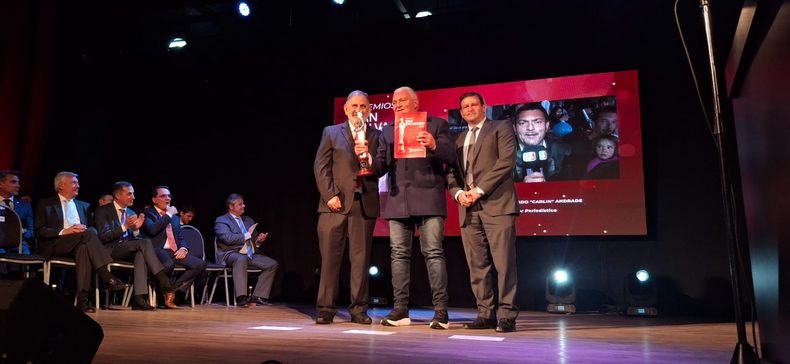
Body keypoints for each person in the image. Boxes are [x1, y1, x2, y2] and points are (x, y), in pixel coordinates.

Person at [371, 86, 456, 329]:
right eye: (394, 101)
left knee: (433, 253)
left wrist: (432, 144)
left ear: (415, 103)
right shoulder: (387, 131)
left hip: (429, 198)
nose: (397, 104)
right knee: (398, 255)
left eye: (402, 100)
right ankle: (401, 310)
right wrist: (370, 160)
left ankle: (441, 312)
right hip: (399, 201)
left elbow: (451, 156)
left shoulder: (436, 124)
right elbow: (380, 168)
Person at [446, 92, 520, 333]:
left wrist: (478, 190)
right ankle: (485, 314)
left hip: (497, 204)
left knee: (504, 263)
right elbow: (451, 174)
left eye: (473, 105)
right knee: (477, 264)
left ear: (484, 107)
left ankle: (507, 314)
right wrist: (458, 194)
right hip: (467, 208)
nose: (469, 109)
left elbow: (506, 162)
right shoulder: (457, 139)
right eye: (464, 107)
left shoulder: (501, 127)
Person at [313, 90, 380, 324]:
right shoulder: (331, 132)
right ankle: (325, 309)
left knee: (361, 261)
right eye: (354, 105)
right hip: (334, 205)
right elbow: (321, 166)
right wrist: (330, 194)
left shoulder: (376, 135)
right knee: (330, 259)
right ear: (346, 109)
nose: (358, 109)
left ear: (370, 110)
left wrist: (370, 158)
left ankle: (359, 310)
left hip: (363, 205)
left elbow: (383, 165)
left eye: (363, 106)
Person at [35, 171, 128, 312]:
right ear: (61, 186)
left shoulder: (84, 206)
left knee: (85, 246)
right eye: (74, 182)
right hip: (57, 244)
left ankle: (83, 300)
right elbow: (39, 231)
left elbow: (92, 234)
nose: (78, 185)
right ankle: (105, 274)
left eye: (77, 183)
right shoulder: (46, 204)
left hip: (79, 244)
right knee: (90, 232)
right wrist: (64, 231)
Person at [94, 181, 180, 310]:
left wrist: (135, 230)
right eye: (129, 194)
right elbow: (103, 237)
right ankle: (165, 282)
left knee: (140, 254)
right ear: (118, 195)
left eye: (133, 194)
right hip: (108, 250)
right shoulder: (103, 211)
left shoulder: (130, 212)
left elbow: (135, 239)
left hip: (125, 249)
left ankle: (139, 299)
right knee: (145, 242)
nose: (133, 197)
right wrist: (125, 226)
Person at [141, 186, 207, 307]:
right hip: (156, 249)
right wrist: (168, 215)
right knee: (168, 263)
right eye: (163, 196)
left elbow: (180, 237)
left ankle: (171, 289)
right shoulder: (148, 213)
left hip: (174, 251)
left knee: (200, 264)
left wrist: (183, 248)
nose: (167, 198)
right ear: (154, 200)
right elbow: (152, 230)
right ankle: (165, 292)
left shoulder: (175, 218)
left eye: (169, 196)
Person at [214, 193, 278, 307]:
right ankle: (241, 297)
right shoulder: (222, 220)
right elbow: (227, 239)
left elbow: (253, 240)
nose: (244, 206)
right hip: (230, 254)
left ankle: (258, 296)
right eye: (240, 204)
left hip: (248, 254)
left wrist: (259, 240)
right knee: (241, 258)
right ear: (231, 206)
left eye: (243, 203)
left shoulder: (248, 220)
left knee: (272, 264)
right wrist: (247, 235)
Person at [512, 103, 571, 182]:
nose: (530, 128)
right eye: (523, 123)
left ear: (547, 126)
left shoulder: (564, 152)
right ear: (515, 128)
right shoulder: (505, 156)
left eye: (538, 122)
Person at [0, 170, 33, 255]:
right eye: (13, 182)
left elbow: (31, 231)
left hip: (18, 244)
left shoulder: (25, 205)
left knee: (24, 252)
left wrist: (20, 235)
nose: (18, 186)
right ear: (1, 184)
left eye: (18, 182)